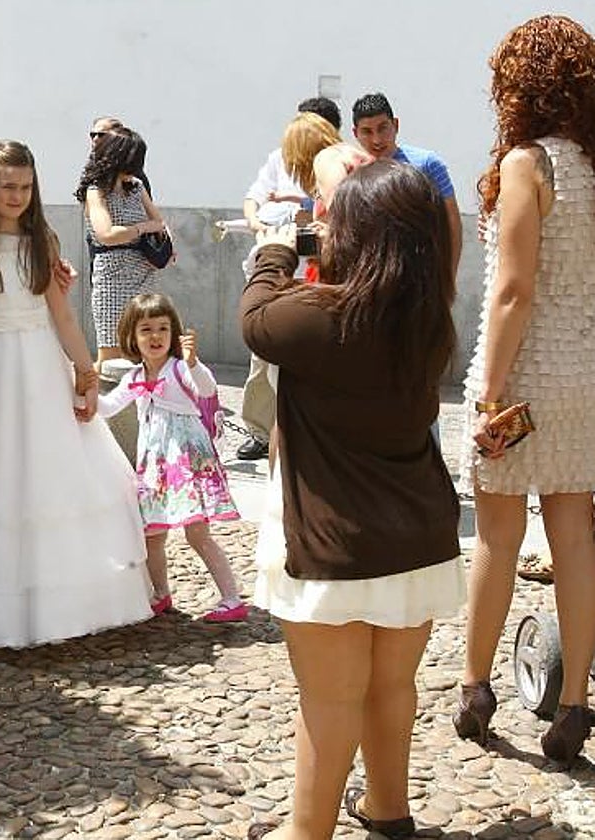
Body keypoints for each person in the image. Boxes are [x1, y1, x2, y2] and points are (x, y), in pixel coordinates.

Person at [241, 161, 462, 840]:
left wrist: (279, 244)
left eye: (335, 215)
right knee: (392, 687)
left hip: (332, 542)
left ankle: (305, 833)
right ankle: (388, 810)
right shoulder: (429, 322)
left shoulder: (318, 317)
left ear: (361, 235)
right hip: (415, 534)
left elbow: (255, 317)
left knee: (329, 698)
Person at [456, 15, 595, 767]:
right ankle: (574, 706)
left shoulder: (525, 164)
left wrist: (488, 394)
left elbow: (512, 290)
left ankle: (476, 689)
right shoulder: (594, 166)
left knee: (498, 540)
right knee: (574, 538)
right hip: (587, 377)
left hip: (525, 381)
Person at [0, 140, 152, 648]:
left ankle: (66, 600)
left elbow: (61, 314)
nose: (17, 195)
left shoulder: (43, 239)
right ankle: (8, 604)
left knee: (51, 470)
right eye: (7, 186)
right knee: (1, 474)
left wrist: (86, 373)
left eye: (25, 186)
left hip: (40, 364)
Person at [98, 293, 246, 620]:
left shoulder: (181, 368)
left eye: (163, 329)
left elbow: (206, 390)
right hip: (155, 469)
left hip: (187, 465)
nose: (155, 336)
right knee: (152, 534)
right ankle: (161, 594)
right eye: (146, 329)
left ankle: (232, 598)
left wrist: (193, 362)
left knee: (198, 533)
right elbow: (108, 407)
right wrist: (74, 386)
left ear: (174, 333)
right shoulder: (134, 378)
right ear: (131, 337)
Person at [237, 97, 343, 462]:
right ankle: (261, 432)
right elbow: (253, 198)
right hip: (281, 275)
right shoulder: (279, 159)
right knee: (266, 364)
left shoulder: (341, 171)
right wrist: (259, 223)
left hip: (317, 286)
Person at [76, 128, 170, 370]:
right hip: (112, 275)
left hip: (143, 271)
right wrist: (142, 228)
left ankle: (141, 404)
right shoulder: (96, 191)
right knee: (111, 354)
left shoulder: (137, 187)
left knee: (142, 348)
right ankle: (102, 405)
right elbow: (106, 235)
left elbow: (160, 224)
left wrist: (164, 245)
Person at [351, 92, 463, 276]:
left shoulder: (427, 164)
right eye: (367, 132)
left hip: (421, 279)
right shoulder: (352, 171)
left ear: (395, 125)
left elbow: (451, 224)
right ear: (356, 133)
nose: (377, 140)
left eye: (382, 128)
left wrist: (448, 277)